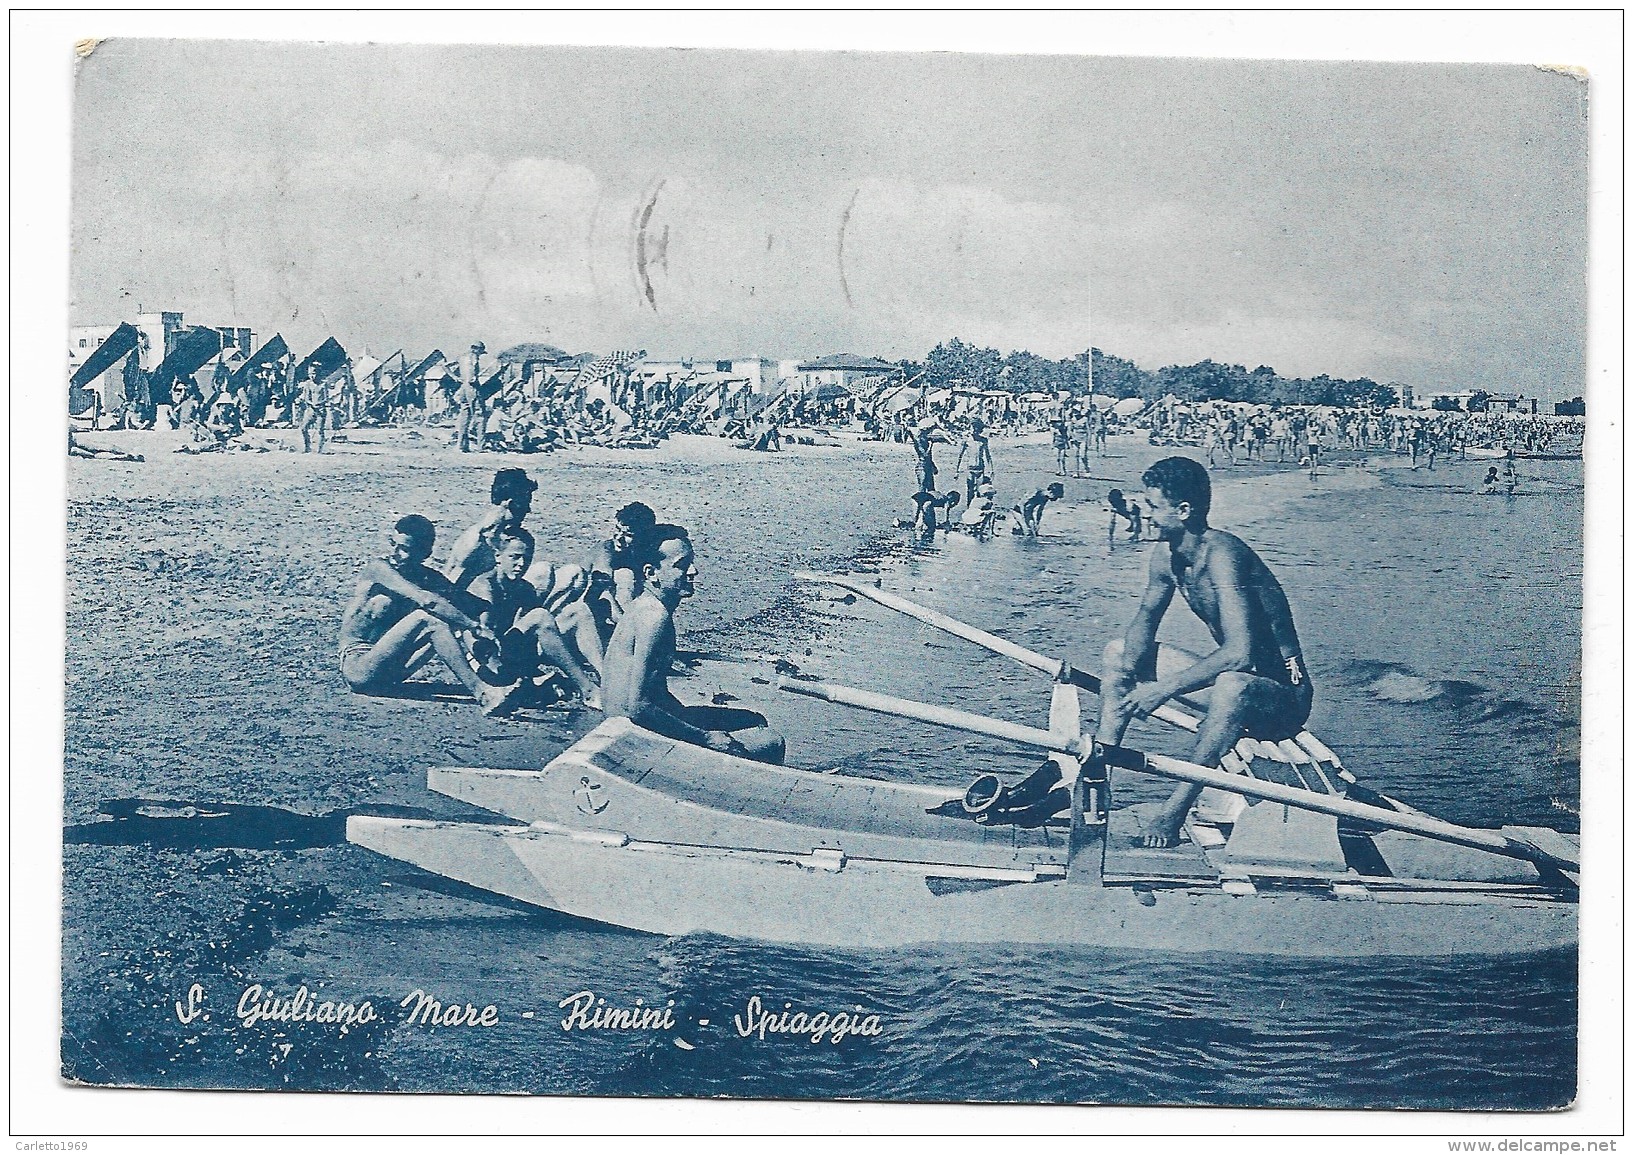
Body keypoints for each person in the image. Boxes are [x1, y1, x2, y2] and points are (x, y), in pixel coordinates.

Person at [1097, 456, 1313, 848]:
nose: (1144, 515)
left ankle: (1172, 814)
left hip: (1281, 699)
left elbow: (1240, 654)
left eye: (1153, 508)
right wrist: (1129, 672)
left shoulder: (1224, 556)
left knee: (1232, 683)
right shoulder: (1167, 555)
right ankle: (1098, 775)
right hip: (1236, 685)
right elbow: (1146, 617)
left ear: (1184, 511)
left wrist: (1160, 691)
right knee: (1117, 652)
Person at [602, 525, 785, 763]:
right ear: (651, 573)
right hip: (632, 739)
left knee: (754, 720)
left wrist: (688, 721)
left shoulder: (643, 606)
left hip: (620, 727)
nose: (693, 571)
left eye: (692, 562)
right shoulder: (655, 619)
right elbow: (639, 706)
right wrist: (705, 737)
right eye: (681, 565)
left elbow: (653, 695)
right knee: (770, 741)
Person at [338, 514, 519, 716]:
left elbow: (477, 605)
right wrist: (474, 627)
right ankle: (482, 693)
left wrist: (484, 629)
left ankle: (498, 677)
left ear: (424, 552)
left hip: (393, 673)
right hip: (358, 668)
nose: (396, 553)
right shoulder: (378, 569)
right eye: (395, 545)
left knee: (451, 617)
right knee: (429, 619)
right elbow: (427, 601)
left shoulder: (428, 577)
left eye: (405, 549)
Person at [466, 527, 602, 708]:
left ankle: (607, 679)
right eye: (514, 557)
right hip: (488, 665)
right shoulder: (485, 587)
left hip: (512, 655)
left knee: (579, 611)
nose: (521, 564)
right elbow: (479, 642)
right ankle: (588, 690)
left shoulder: (524, 587)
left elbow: (530, 640)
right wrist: (516, 678)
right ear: (498, 556)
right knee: (540, 616)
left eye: (527, 558)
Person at [954, 417, 995, 504]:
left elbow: (988, 456)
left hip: (980, 467)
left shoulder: (983, 440)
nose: (974, 430)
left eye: (976, 428)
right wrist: (956, 471)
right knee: (970, 490)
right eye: (973, 427)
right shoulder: (966, 440)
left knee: (980, 490)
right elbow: (960, 456)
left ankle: (978, 507)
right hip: (970, 468)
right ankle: (969, 507)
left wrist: (991, 469)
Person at [298, 365, 330, 453]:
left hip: (320, 410)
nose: (312, 376)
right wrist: (312, 404)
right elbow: (306, 398)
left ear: (318, 374)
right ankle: (307, 446)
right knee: (303, 428)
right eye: (310, 374)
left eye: (314, 374)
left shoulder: (323, 384)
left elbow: (326, 397)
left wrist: (319, 404)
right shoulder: (308, 384)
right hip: (311, 409)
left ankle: (320, 449)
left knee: (320, 430)